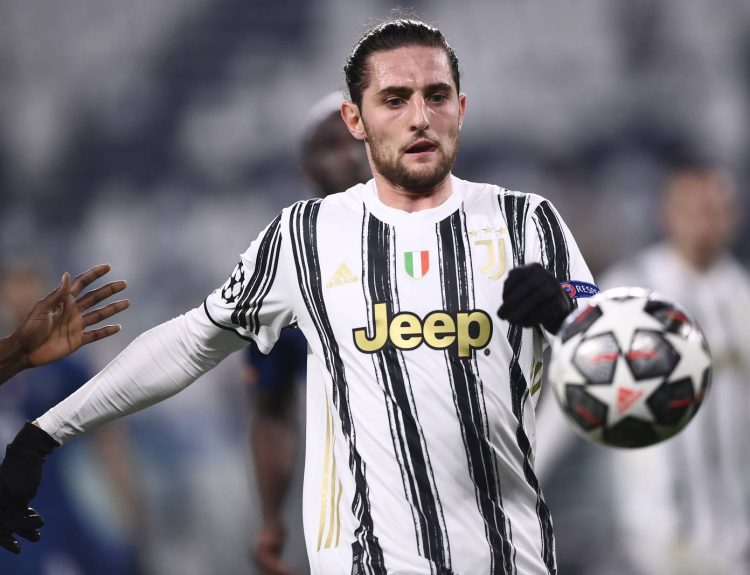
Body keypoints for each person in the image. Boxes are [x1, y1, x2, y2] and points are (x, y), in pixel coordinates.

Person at [0, 19, 597, 574]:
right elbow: (187, 344)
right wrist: (42, 435)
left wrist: (570, 318)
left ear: (460, 109)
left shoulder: (528, 223)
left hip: (511, 559)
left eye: (436, 96)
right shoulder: (304, 237)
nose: (420, 117)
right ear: (356, 119)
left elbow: (619, 368)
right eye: (394, 99)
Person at [597, 165, 750, 575]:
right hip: (655, 538)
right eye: (692, 209)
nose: (705, 221)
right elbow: (570, 389)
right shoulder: (627, 292)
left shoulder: (741, 297)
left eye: (715, 209)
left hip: (734, 538)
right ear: (667, 213)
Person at [245, 90, 369, 575]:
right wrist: (271, 519)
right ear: (306, 170)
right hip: (351, 513)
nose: (350, 156)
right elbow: (272, 412)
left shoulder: (449, 244)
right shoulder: (285, 273)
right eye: (331, 145)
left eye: (361, 140)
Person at [0, 263, 141, 573]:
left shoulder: (64, 367)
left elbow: (108, 440)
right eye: (14, 284)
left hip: (52, 506)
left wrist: (131, 508)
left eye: (28, 282)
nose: (21, 294)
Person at [0, 263, 129, 386]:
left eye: (28, 289)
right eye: (16, 291)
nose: (22, 298)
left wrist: (21, 353)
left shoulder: (68, 368)